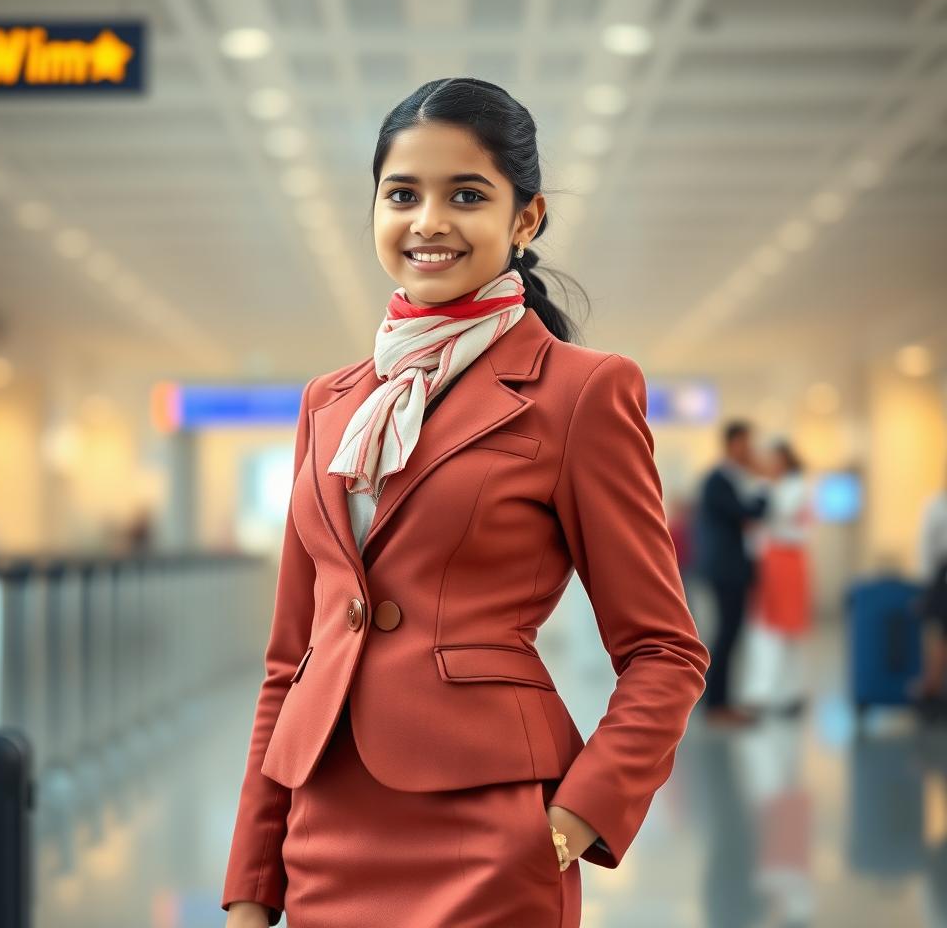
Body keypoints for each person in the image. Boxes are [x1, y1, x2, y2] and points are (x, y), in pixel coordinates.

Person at [221, 77, 711, 927]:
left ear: (527, 219)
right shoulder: (329, 402)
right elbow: (291, 660)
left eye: (468, 195)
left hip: (489, 835)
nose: (428, 222)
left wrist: (576, 819)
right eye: (402, 194)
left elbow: (666, 650)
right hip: (323, 825)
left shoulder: (581, 392)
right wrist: (252, 882)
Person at [696, 420, 770, 727]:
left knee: (730, 634)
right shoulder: (718, 480)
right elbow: (750, 511)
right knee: (726, 634)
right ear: (731, 444)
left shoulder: (729, 479)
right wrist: (765, 482)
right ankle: (716, 704)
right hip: (725, 570)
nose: (750, 450)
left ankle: (721, 700)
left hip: (733, 569)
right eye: (745, 443)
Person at [740, 440, 813, 717]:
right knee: (771, 628)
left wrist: (763, 486)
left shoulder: (793, 488)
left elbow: (772, 514)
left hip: (784, 561)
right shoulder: (780, 487)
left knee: (779, 629)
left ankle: (774, 693)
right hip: (774, 561)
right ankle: (778, 692)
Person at [911, 464, 947, 704]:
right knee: (939, 637)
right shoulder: (936, 505)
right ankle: (932, 689)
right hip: (941, 579)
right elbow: (925, 544)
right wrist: (926, 582)